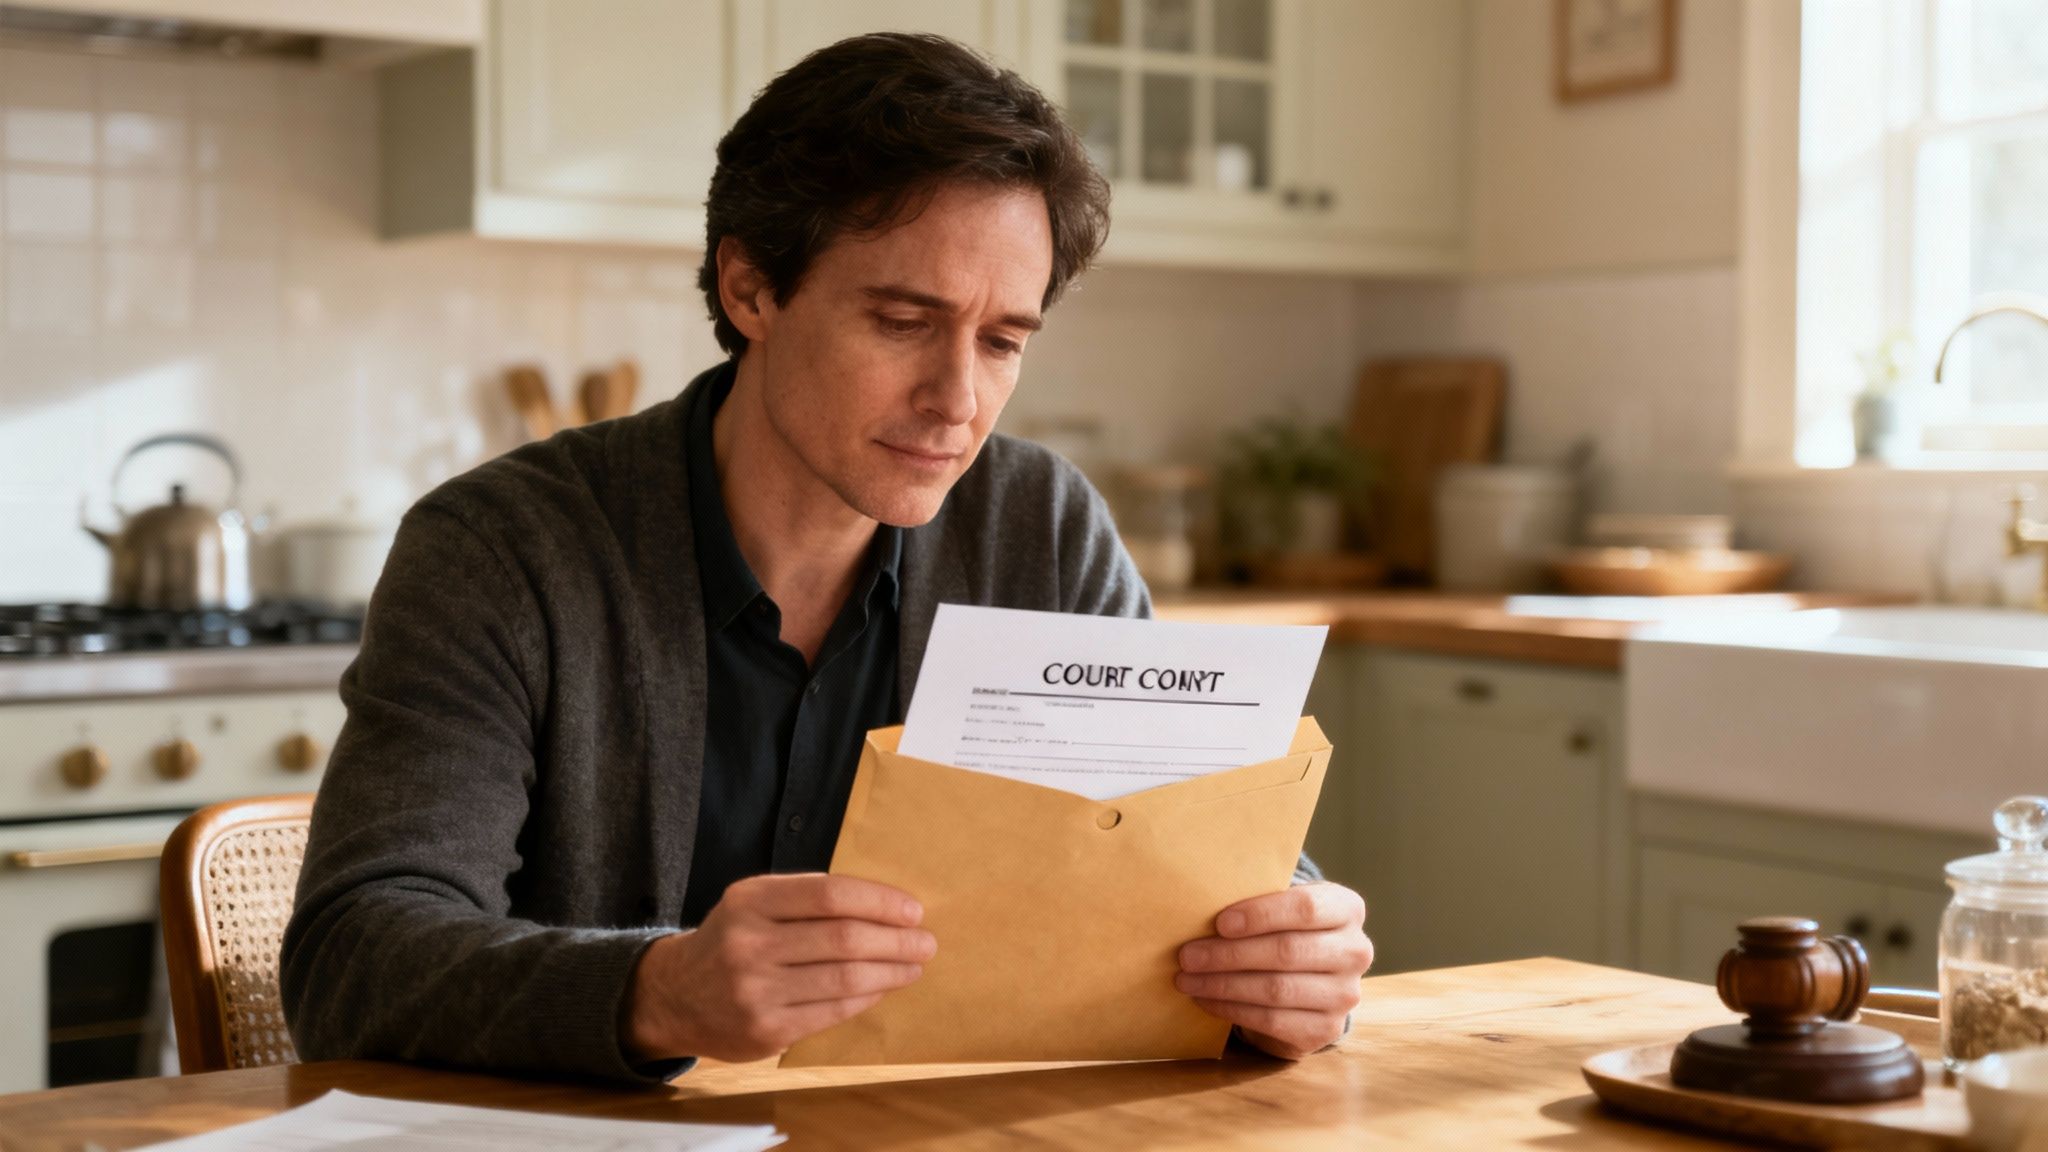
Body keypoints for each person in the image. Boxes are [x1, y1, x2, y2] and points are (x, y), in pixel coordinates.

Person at [280, 31, 1373, 1083]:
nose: (957, 401)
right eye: (902, 321)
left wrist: (1285, 957)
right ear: (749, 288)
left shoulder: (1039, 528)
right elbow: (352, 960)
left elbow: (1195, 860)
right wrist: (656, 991)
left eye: (1001, 343)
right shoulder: (504, 551)